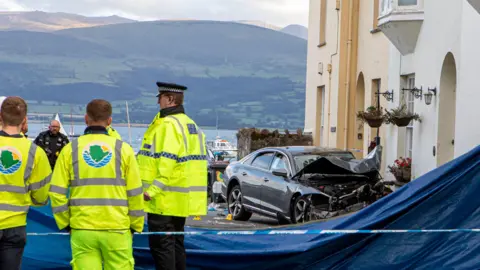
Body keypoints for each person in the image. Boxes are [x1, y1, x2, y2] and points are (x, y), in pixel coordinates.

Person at [49, 99, 144, 270]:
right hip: (117, 229)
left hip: (82, 228)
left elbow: (56, 192)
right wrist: (135, 225)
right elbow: (135, 192)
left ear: (86, 119)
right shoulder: (124, 150)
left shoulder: (70, 149)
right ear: (110, 121)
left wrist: (66, 223)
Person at [137, 82, 208, 270]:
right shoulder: (190, 125)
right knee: (176, 245)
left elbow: (166, 161)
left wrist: (151, 191)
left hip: (163, 199)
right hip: (181, 200)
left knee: (162, 248)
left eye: (159, 98)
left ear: (169, 100)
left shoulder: (168, 125)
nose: (157, 102)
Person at [0, 96, 52, 269]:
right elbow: (41, 196)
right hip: (15, 225)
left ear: (1, 117)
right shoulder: (35, 152)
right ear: (24, 120)